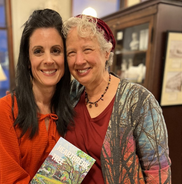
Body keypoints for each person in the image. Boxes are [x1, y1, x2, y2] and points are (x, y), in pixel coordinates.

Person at [62, 14, 171, 183]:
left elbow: (158, 174)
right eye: (71, 52)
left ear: (107, 52)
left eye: (87, 49)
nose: (79, 60)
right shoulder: (72, 94)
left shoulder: (139, 101)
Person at [0, 9, 74, 183]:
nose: (48, 60)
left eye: (56, 50)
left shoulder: (73, 108)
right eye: (38, 51)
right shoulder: (6, 109)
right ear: (28, 60)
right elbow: (9, 179)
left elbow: (67, 176)